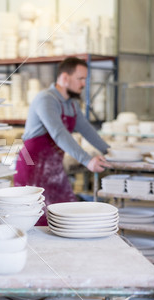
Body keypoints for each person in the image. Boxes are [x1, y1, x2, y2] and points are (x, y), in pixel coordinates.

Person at [13, 57, 111, 225]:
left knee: (64, 219)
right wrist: (87, 160)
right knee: (34, 221)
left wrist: (109, 151)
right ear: (65, 78)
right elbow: (59, 133)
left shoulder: (71, 104)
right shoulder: (46, 99)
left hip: (54, 169)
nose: (83, 84)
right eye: (80, 79)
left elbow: (87, 130)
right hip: (32, 168)